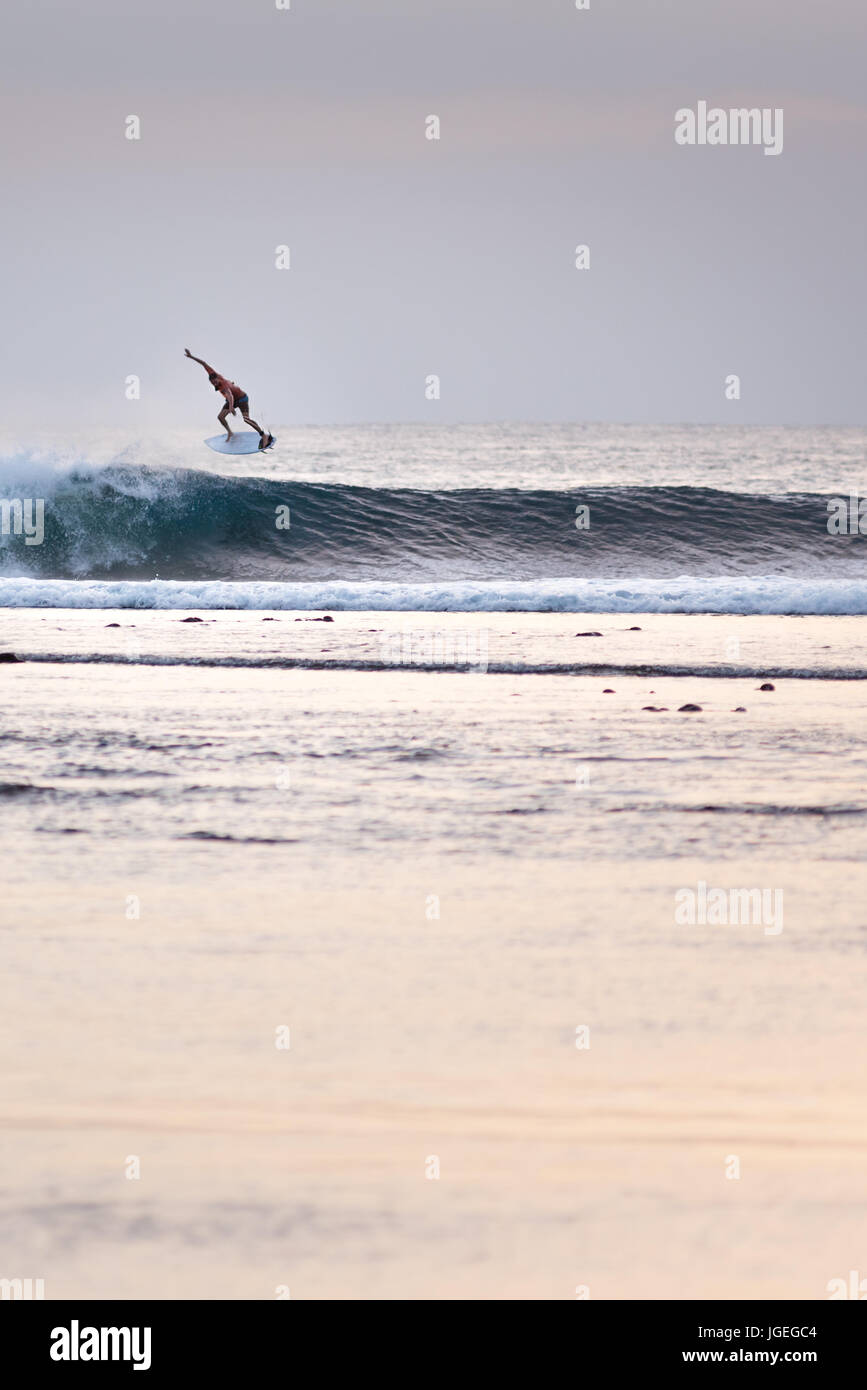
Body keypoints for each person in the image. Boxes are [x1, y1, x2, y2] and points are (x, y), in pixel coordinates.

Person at [184, 349, 272, 449]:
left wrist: (231, 407)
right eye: (213, 383)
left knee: (246, 420)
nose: (215, 384)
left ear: (217, 379)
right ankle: (230, 432)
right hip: (232, 400)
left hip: (242, 399)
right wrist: (191, 357)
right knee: (220, 417)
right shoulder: (213, 373)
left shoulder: (224, 385)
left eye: (216, 382)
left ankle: (264, 435)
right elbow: (203, 363)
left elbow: (230, 395)